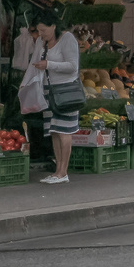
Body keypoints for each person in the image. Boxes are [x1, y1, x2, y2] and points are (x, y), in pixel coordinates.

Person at [28, 21, 80, 183]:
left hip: (65, 92)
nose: (41, 33)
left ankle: (63, 172)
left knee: (64, 130)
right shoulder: (41, 42)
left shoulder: (67, 39)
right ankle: (57, 171)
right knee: (54, 130)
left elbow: (73, 66)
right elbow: (34, 64)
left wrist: (49, 64)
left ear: (54, 26)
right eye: (38, 30)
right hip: (48, 91)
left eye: (43, 29)